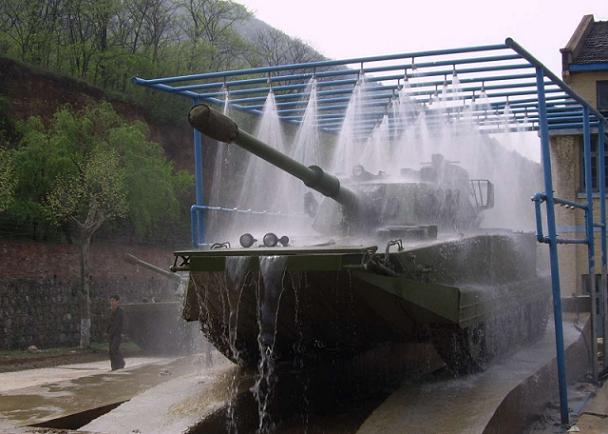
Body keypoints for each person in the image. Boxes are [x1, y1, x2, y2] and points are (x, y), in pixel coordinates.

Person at [107, 294, 125, 370]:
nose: (112, 302)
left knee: (114, 348)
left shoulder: (120, 311)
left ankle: (121, 362)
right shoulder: (110, 311)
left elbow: (121, 323)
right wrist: (107, 331)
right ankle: (114, 365)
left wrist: (122, 332)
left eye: (113, 301)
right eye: (111, 301)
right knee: (111, 350)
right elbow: (109, 322)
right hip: (111, 333)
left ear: (117, 301)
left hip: (118, 333)